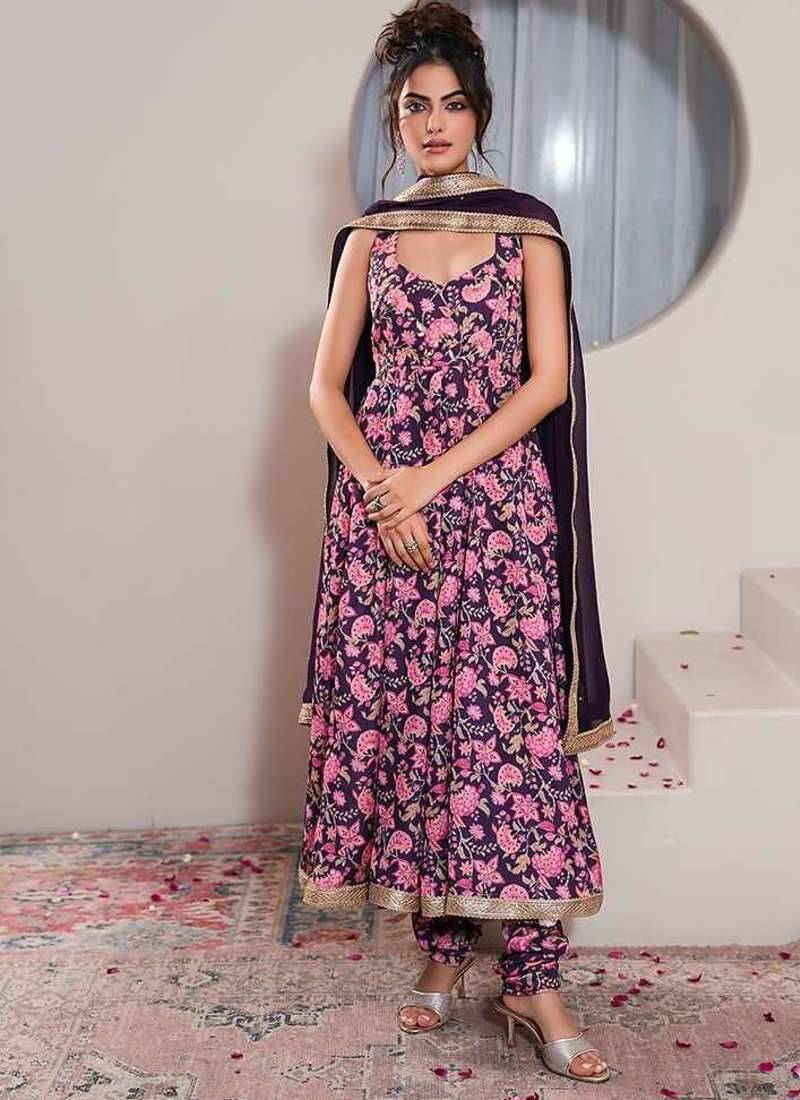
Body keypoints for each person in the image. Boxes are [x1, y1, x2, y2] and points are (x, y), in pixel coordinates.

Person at [295, 0, 614, 1085]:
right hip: (388, 524)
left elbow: (547, 381)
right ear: (394, 122)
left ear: (480, 113)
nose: (434, 123)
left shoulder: (527, 229)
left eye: (452, 104)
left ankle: (532, 978)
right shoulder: (370, 238)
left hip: (496, 513)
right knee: (420, 731)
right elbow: (326, 389)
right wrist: (384, 492)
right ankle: (441, 949)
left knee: (508, 740)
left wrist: (429, 478)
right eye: (413, 107)